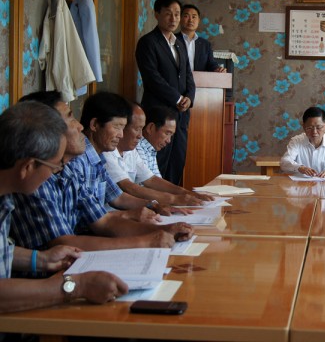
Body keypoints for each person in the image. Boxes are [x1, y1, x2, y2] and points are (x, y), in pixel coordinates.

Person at [8, 91, 193, 253]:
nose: (79, 126)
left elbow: (103, 221)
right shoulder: (39, 175)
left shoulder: (69, 168)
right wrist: (146, 240)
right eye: (70, 118)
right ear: (46, 132)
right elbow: (63, 242)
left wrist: (165, 230)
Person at [0, 101, 128, 313]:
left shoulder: (5, 198)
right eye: (56, 165)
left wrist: (41, 259)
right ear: (28, 167)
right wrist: (77, 286)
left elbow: (3, 253)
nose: (59, 172)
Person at [103, 101, 213, 206]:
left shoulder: (131, 151)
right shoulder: (106, 152)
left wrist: (186, 193)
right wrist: (174, 199)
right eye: (137, 129)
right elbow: (128, 187)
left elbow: (151, 179)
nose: (140, 135)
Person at [136, 0, 195, 186]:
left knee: (177, 161)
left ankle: (173, 198)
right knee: (158, 162)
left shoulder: (179, 43)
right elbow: (152, 78)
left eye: (177, 14)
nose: (174, 19)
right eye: (168, 14)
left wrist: (189, 98)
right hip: (159, 113)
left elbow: (188, 76)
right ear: (157, 14)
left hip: (181, 116)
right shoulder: (148, 42)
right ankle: (155, 200)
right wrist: (177, 98)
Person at [280, 107, 325, 178]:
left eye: (319, 127)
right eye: (310, 128)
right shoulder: (296, 141)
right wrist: (300, 168)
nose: (314, 132)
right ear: (304, 127)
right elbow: (284, 162)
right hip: (301, 183)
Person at [177, 3, 226, 73]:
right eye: (186, 16)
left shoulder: (205, 44)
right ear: (179, 19)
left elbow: (211, 64)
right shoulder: (172, 40)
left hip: (199, 79)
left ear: (198, 21)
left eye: (194, 17)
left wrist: (218, 69)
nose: (190, 20)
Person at [136, 105, 177, 178]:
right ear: (150, 128)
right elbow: (147, 182)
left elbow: (157, 179)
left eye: (171, 135)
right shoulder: (137, 147)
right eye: (167, 133)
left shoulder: (150, 149)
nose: (169, 141)